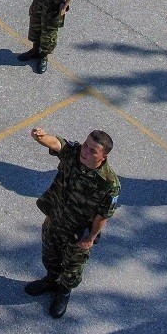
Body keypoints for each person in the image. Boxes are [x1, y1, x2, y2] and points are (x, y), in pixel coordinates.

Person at [25, 126, 120, 319]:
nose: (85, 151)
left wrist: (91, 238)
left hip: (78, 233)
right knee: (49, 255)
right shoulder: (75, 153)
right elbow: (58, 143)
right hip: (56, 218)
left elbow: (103, 215)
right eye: (86, 145)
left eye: (92, 151)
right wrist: (40, 137)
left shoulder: (109, 183)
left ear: (103, 157)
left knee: (72, 268)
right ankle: (51, 280)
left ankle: (64, 292)